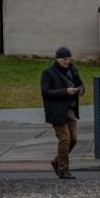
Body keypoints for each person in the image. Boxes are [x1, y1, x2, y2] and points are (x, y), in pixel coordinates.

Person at [39, 46, 85, 180]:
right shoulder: (48, 73)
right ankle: (63, 170)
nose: (66, 61)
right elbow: (45, 92)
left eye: (68, 58)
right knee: (65, 139)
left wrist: (81, 90)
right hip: (56, 111)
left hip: (71, 110)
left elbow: (81, 84)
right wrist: (66, 91)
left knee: (74, 140)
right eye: (64, 59)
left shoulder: (73, 69)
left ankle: (57, 161)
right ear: (57, 59)